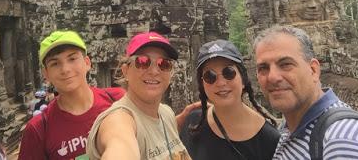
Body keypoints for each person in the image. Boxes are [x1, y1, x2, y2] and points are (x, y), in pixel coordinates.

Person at [253, 25, 358, 159]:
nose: (273, 77)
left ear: (313, 70)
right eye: (263, 68)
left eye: (285, 64)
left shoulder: (342, 139)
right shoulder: (288, 128)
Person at [18, 30, 125, 160]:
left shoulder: (118, 100)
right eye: (55, 63)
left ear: (87, 63)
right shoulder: (38, 129)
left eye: (72, 59)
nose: (65, 69)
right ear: (46, 73)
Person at [86, 31, 192, 160]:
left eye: (164, 64)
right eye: (142, 62)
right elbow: (120, 145)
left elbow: (154, 131)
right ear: (126, 71)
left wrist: (188, 117)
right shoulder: (118, 120)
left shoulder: (166, 113)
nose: (154, 71)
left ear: (171, 74)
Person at [180, 39, 280, 160]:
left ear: (243, 79)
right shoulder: (193, 124)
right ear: (202, 84)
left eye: (229, 72)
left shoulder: (269, 140)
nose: (221, 83)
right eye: (210, 76)